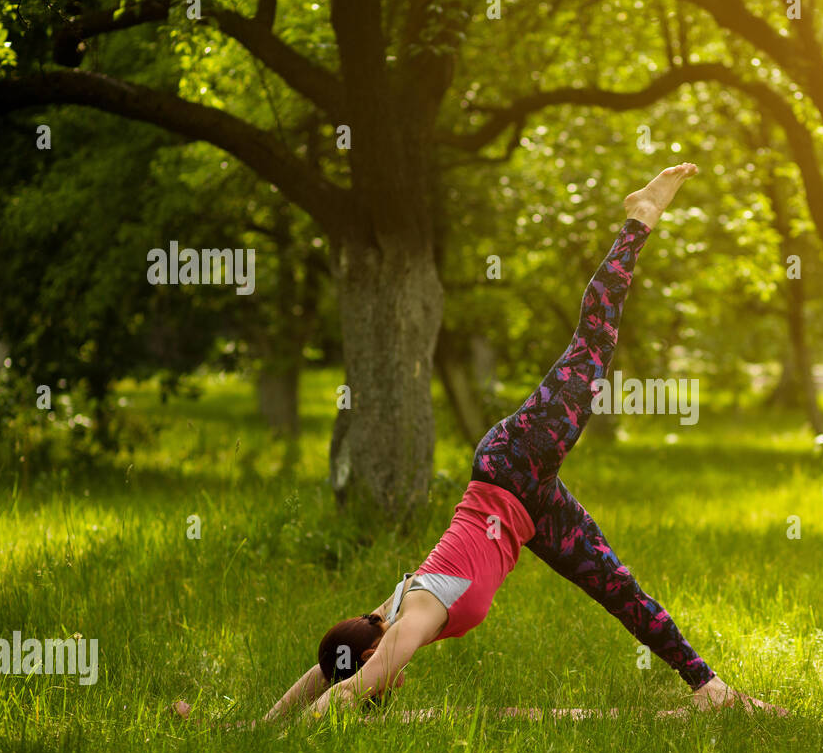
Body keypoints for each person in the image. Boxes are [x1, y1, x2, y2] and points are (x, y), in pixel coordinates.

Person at [261, 163, 783, 723]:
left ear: (370, 658)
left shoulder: (412, 616)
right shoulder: (385, 615)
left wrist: (308, 728)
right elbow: (325, 671)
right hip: (526, 507)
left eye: (379, 680)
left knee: (592, 348)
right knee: (616, 586)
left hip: (512, 465)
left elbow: (343, 689)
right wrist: (258, 726)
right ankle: (711, 690)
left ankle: (640, 217)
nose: (390, 682)